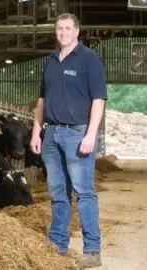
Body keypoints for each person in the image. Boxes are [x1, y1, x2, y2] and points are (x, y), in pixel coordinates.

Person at [29, 13, 107, 268]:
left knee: (84, 192)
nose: (62, 33)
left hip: (77, 134)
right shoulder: (51, 61)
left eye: (67, 28)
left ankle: (92, 250)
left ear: (77, 31)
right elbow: (42, 100)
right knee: (58, 193)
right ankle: (58, 244)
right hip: (51, 134)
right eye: (59, 29)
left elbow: (98, 99)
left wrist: (90, 134)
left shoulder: (89, 59)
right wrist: (36, 132)